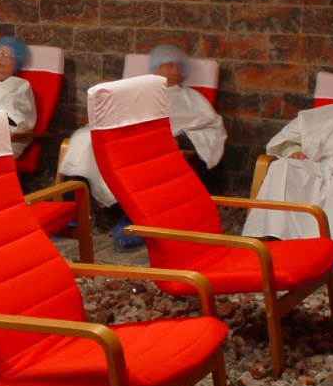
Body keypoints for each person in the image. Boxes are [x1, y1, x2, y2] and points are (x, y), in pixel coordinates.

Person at [59, 43, 226, 248]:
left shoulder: (192, 98)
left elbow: (211, 128)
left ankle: (132, 219)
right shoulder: (138, 94)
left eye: (177, 66)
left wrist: (179, 140)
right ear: (155, 69)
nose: (172, 70)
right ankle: (70, 214)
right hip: (125, 139)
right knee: (81, 141)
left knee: (139, 157)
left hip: (157, 145)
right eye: (166, 65)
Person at [243, 57, 333, 280]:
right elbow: (286, 140)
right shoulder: (319, 115)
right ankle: (276, 244)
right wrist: (293, 150)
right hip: (316, 167)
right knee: (282, 168)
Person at [0, 36, 37, 158]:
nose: (1, 58)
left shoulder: (19, 85)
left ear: (16, 64)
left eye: (8, 56)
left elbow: (13, 117)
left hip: (4, 139)